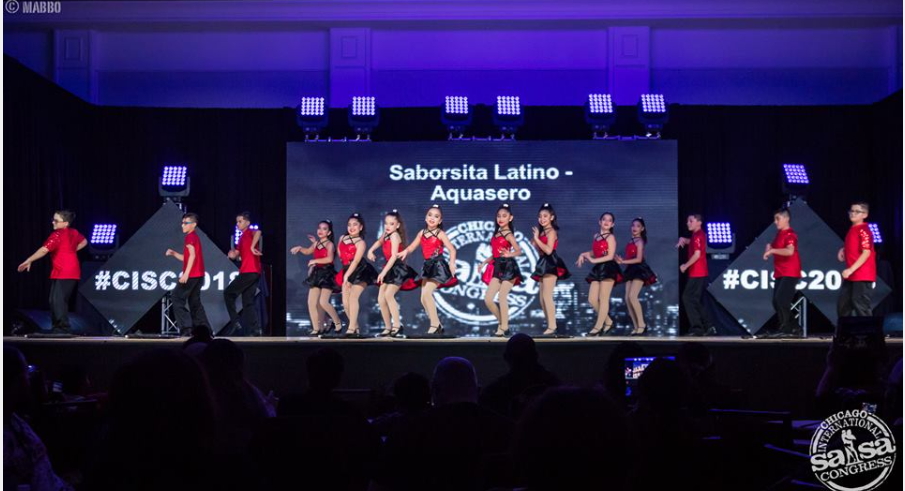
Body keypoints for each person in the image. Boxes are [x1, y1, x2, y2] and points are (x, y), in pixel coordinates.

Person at [17, 210, 87, 335]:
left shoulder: (57, 235)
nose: (53, 222)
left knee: (58, 300)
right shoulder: (73, 232)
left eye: (56, 221)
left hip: (65, 271)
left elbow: (44, 250)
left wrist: (29, 260)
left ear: (65, 223)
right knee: (55, 300)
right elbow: (84, 241)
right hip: (68, 270)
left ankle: (62, 328)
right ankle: (58, 327)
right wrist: (71, 251)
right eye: (53, 219)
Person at [398, 204, 458, 336]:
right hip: (427, 266)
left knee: (426, 294)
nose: (432, 218)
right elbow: (412, 247)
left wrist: (452, 263)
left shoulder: (440, 233)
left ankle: (434, 324)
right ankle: (439, 325)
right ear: (426, 217)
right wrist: (404, 252)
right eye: (430, 215)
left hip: (438, 266)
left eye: (436, 216)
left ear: (440, 221)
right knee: (422, 299)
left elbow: (452, 249)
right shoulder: (422, 233)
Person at [368, 210, 419, 337]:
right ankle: (388, 327)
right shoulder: (386, 234)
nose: (388, 226)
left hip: (397, 269)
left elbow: (393, 257)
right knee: (381, 299)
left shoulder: (395, 236)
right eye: (386, 223)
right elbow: (379, 242)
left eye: (391, 224)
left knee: (389, 295)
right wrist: (371, 250)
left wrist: (383, 273)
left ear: (397, 225)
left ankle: (397, 325)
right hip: (389, 268)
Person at [290, 220, 343, 335]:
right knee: (311, 302)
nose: (320, 230)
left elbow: (329, 259)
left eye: (324, 229)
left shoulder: (330, 244)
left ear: (329, 233)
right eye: (319, 228)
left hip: (327, 274)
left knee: (323, 302)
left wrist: (315, 260)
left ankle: (337, 322)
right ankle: (316, 328)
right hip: (317, 274)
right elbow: (308, 251)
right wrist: (299, 248)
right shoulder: (316, 243)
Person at [479, 203, 524, 337]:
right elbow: (495, 254)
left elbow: (519, 251)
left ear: (510, 218)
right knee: (488, 299)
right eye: (499, 216)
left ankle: (504, 326)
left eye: (504, 216)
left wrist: (510, 254)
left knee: (502, 296)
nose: (501, 218)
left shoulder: (509, 234)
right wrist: (484, 262)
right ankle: (502, 323)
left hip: (509, 268)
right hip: (497, 266)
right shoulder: (497, 233)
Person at [165, 212, 210, 336]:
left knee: (176, 297)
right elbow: (187, 257)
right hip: (198, 275)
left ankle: (187, 328)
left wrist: (185, 274)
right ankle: (205, 330)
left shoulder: (190, 237)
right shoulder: (194, 237)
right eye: (182, 223)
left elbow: (193, 256)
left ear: (194, 225)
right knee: (195, 303)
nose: (182, 225)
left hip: (192, 275)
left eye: (186, 223)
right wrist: (174, 253)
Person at [576, 212, 621, 336]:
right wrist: (584, 254)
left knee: (603, 298)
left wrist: (593, 260)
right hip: (598, 269)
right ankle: (608, 321)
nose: (606, 222)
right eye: (604, 219)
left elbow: (610, 256)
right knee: (591, 299)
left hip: (609, 268)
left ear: (613, 224)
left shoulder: (611, 237)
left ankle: (598, 326)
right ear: (599, 222)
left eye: (609, 220)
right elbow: (596, 252)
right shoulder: (596, 236)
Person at [530, 203, 571, 336]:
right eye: (540, 216)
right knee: (542, 298)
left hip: (551, 262)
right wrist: (535, 242)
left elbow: (548, 250)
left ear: (552, 217)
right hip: (543, 262)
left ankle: (552, 326)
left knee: (547, 296)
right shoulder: (542, 232)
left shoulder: (551, 231)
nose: (542, 219)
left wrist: (537, 238)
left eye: (545, 216)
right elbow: (540, 250)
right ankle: (550, 325)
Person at [762, 207, 803, 338]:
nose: (775, 222)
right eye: (775, 219)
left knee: (781, 300)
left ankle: (786, 328)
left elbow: (789, 251)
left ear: (786, 218)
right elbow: (776, 247)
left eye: (778, 219)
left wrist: (772, 251)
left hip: (790, 272)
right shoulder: (780, 234)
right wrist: (770, 247)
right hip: (780, 272)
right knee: (776, 301)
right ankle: (794, 327)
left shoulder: (791, 234)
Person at [336, 213, 378, 336]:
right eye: (349, 225)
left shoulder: (361, 243)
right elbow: (340, 254)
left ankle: (351, 328)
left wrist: (347, 276)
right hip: (347, 269)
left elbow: (355, 261)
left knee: (353, 297)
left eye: (355, 225)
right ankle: (355, 327)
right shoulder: (342, 238)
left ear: (361, 227)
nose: (351, 227)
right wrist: (345, 271)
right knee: (345, 301)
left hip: (361, 271)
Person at [617, 217, 658, 336]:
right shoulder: (631, 241)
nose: (634, 228)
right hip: (631, 269)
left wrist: (623, 262)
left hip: (639, 269)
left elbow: (639, 259)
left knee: (632, 296)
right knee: (627, 299)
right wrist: (620, 260)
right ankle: (636, 326)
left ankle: (642, 325)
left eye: (638, 226)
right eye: (633, 225)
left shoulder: (640, 241)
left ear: (642, 228)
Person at [225, 211, 263, 336]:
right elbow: (237, 254)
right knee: (247, 301)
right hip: (252, 272)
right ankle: (255, 330)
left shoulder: (250, 233)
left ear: (247, 222)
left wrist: (252, 247)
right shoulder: (241, 238)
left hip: (249, 271)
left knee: (228, 293)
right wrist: (232, 255)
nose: (238, 224)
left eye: (240, 221)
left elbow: (258, 232)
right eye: (237, 222)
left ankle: (235, 321)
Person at [676, 213, 714, 336]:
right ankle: (708, 326)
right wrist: (684, 239)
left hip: (697, 272)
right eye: (688, 221)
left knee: (687, 298)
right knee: (694, 300)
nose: (688, 223)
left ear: (699, 222)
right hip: (697, 272)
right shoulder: (696, 235)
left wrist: (685, 266)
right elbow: (692, 242)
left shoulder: (698, 235)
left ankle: (698, 328)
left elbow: (697, 255)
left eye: (691, 221)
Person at [836, 201, 876, 317]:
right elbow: (854, 246)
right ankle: (846, 333)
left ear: (865, 215)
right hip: (852, 275)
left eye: (857, 212)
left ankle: (870, 333)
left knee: (860, 304)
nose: (853, 214)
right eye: (852, 211)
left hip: (862, 274)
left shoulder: (864, 230)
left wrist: (850, 269)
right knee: (843, 305)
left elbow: (866, 252)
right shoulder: (853, 229)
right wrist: (843, 250)